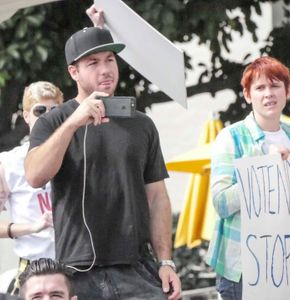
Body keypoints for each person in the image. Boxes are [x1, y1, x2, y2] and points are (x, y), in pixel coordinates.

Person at [24, 26, 181, 299]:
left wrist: (165, 261)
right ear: (74, 72)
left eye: (110, 59)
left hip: (137, 267)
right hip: (78, 271)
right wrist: (74, 122)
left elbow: (157, 197)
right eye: (93, 63)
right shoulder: (53, 121)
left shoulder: (141, 124)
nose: (105, 69)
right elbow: (35, 175)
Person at [205, 56, 290, 300]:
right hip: (245, 270)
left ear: (287, 91)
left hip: (289, 264)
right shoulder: (231, 137)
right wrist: (265, 168)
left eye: (275, 85)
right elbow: (221, 203)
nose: (268, 93)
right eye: (260, 88)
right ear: (247, 95)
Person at [0, 81, 63, 295]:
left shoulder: (79, 153)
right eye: (40, 110)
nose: (48, 116)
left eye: (55, 110)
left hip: (76, 264)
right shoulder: (9, 162)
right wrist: (32, 227)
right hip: (34, 267)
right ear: (26, 116)